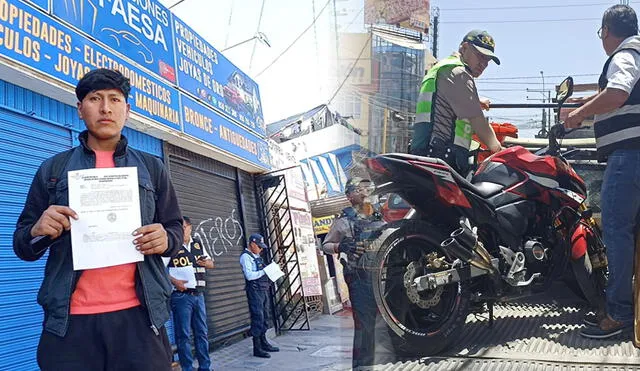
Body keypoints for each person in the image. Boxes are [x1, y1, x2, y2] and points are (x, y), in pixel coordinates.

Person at [12, 68, 184, 370]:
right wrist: (38, 231)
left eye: (114, 99)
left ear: (127, 110)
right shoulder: (53, 170)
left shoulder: (152, 168)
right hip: (70, 322)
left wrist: (165, 238)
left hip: (140, 319)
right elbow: (22, 244)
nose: (105, 108)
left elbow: (175, 229)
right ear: (80, 109)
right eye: (95, 99)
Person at [564, 4, 640, 339]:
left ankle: (620, 313)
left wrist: (579, 113)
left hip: (628, 158)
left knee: (616, 232)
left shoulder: (625, 55)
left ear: (607, 31)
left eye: (601, 33)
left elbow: (618, 91)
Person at [411, 30, 503, 175]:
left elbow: (443, 103)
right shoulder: (459, 73)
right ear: (464, 48)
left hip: (426, 154)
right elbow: (478, 121)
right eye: (480, 55)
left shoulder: (442, 68)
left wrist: (475, 101)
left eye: (488, 60)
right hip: (441, 158)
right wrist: (500, 150)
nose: (483, 64)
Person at [321, 178, 385, 370]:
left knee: (381, 324)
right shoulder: (343, 220)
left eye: (365, 188)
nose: (363, 192)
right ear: (349, 196)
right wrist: (341, 246)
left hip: (381, 275)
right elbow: (324, 245)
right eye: (358, 189)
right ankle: (362, 366)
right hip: (359, 277)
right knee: (364, 326)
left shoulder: (376, 215)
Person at [167, 216, 215, 371]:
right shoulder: (171, 246)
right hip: (181, 297)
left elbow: (211, 263)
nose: (180, 231)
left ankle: (205, 367)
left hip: (199, 295)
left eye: (183, 228)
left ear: (190, 227)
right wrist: (175, 282)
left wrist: (206, 263)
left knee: (202, 333)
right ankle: (187, 368)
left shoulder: (197, 243)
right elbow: (161, 270)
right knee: (183, 335)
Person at [239, 233, 280, 358]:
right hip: (255, 291)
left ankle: (264, 342)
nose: (261, 249)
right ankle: (257, 348)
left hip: (263, 290)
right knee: (258, 317)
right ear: (252, 244)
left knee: (265, 317)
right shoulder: (246, 257)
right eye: (259, 246)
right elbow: (249, 276)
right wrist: (265, 271)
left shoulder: (256, 256)